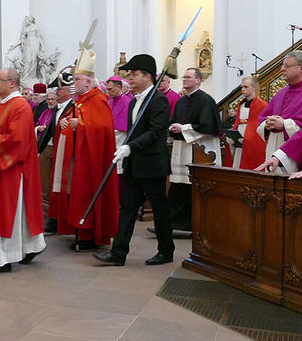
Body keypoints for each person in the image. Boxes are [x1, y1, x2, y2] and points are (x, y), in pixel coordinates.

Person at [95, 54, 174, 266]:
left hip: (152, 164)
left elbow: (156, 132)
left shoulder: (159, 100)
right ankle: (118, 253)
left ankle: (166, 250)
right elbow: (132, 131)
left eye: (133, 74)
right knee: (127, 208)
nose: (129, 78)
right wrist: (126, 148)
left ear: (147, 76)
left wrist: (130, 146)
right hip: (134, 164)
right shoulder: (133, 103)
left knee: (159, 209)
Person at [0, 68, 46, 274]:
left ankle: (3, 260)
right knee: (17, 215)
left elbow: (18, 139)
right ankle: (33, 246)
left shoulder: (20, 106)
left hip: (11, 169)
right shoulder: (6, 105)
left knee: (6, 215)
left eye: (0, 80)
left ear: (13, 83)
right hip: (1, 166)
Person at [50, 48, 118, 250]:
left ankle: (90, 234)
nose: (74, 83)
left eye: (77, 79)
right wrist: (63, 124)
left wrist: (79, 126)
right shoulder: (81, 101)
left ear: (88, 82)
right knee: (75, 193)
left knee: (87, 193)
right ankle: (79, 230)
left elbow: (101, 128)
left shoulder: (98, 100)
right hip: (78, 157)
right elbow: (73, 120)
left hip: (92, 161)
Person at [167, 67, 221, 234]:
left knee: (192, 186)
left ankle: (193, 224)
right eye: (184, 77)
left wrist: (183, 128)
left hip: (199, 150)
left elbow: (207, 126)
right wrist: (172, 127)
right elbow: (173, 120)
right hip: (182, 148)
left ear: (198, 80)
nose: (184, 79)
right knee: (179, 185)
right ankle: (175, 223)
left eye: (188, 77)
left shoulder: (206, 100)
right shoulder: (181, 101)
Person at [256, 50, 302, 162]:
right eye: (282, 66)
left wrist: (284, 125)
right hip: (274, 147)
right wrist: (267, 124)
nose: (282, 69)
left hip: (297, 153)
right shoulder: (281, 92)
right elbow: (262, 118)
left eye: (287, 66)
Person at [42, 71, 75, 234]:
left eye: (59, 89)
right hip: (56, 151)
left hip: (67, 154)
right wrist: (38, 150)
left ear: (68, 91)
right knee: (53, 188)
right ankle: (54, 219)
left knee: (63, 188)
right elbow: (49, 131)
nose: (56, 92)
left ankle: (61, 220)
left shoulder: (73, 107)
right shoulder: (57, 108)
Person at [230, 76, 267, 170]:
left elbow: (259, 126)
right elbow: (238, 122)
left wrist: (249, 138)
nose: (242, 89)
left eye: (246, 87)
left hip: (253, 143)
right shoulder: (241, 104)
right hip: (239, 139)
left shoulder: (262, 105)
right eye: (241, 87)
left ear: (254, 88)